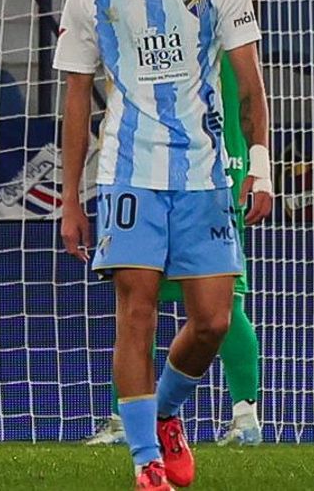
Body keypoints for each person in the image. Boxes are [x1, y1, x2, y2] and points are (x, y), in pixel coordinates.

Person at [57, 0, 274, 491]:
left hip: (204, 176)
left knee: (212, 320)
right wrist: (70, 198)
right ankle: (146, 460)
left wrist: (260, 166)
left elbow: (251, 86)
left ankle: (165, 412)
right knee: (138, 311)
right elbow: (76, 99)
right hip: (130, 173)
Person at [82, 53, 267, 448]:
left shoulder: (217, 24)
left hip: (211, 172)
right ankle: (126, 420)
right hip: (148, 173)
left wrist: (253, 166)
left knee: (220, 307)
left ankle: (244, 416)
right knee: (139, 303)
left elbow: (247, 92)